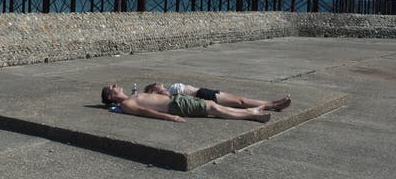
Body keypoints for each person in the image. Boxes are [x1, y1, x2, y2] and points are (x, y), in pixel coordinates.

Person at [101, 84, 276, 123]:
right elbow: (144, 112)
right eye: (112, 88)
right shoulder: (126, 105)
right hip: (174, 106)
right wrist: (169, 117)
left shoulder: (134, 94)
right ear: (110, 97)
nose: (116, 85)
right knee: (213, 108)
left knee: (212, 105)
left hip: (176, 100)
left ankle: (253, 111)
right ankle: (253, 116)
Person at [143, 82, 291, 111]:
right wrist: (156, 93)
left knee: (240, 101)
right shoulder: (165, 93)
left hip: (204, 92)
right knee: (241, 101)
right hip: (202, 95)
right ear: (152, 90)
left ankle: (273, 103)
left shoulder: (168, 90)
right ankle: (273, 105)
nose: (159, 83)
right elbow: (166, 97)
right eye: (156, 84)